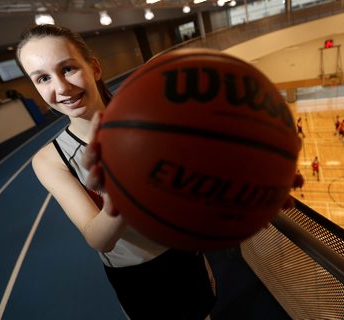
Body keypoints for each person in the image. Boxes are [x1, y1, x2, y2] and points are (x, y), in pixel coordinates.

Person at [16, 24, 216, 319]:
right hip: (136, 274)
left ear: (94, 68)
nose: (60, 88)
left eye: (68, 68)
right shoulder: (50, 160)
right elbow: (98, 239)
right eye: (43, 78)